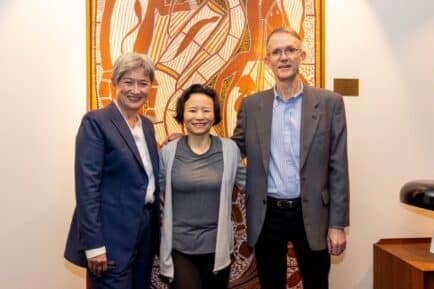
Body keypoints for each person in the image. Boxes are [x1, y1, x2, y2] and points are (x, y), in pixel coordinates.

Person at [231, 27, 350, 289]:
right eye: (276, 52)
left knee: (317, 282)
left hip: (313, 213)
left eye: (290, 50)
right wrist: (187, 142)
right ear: (268, 61)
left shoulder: (330, 103)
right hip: (267, 212)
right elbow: (232, 150)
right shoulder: (251, 106)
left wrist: (338, 225)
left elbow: (338, 168)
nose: (283, 57)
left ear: (302, 55)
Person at [64, 52, 160, 289]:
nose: (135, 90)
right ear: (115, 83)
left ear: (150, 87)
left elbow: (143, 173)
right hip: (111, 237)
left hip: (145, 231)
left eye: (143, 83)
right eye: (128, 82)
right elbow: (87, 188)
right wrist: (94, 245)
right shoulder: (96, 122)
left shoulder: (147, 126)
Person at [159, 84, 245, 289]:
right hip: (179, 247)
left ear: (215, 115)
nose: (199, 116)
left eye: (206, 110)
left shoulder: (230, 150)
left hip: (218, 248)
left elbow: (250, 183)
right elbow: (159, 191)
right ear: (182, 114)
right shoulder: (168, 152)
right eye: (192, 110)